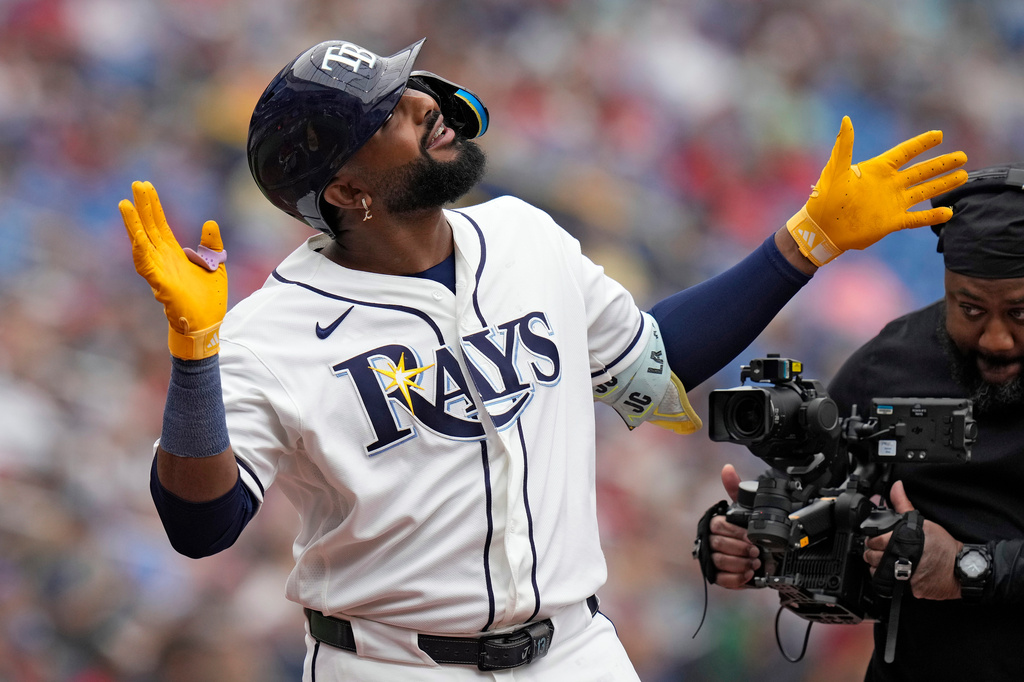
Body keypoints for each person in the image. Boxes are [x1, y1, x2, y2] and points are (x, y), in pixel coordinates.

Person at [118, 37, 966, 681]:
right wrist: (196, 356)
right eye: (391, 114)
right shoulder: (272, 333)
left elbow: (651, 366)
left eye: (410, 88)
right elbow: (201, 526)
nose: (426, 106)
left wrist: (804, 242)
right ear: (344, 192)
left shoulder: (523, 235)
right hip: (389, 663)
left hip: (575, 651)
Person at [703, 163, 1024, 681]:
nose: (996, 338)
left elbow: (956, 567)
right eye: (969, 309)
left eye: (1020, 314)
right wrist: (759, 548)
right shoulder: (891, 363)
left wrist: (967, 566)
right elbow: (830, 528)